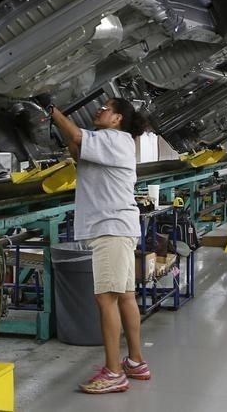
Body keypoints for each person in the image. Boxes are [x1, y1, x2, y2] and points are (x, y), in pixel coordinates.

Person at [48, 97, 151, 394]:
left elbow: (79, 136)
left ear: (117, 119)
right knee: (126, 296)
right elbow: (79, 151)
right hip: (119, 228)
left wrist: (53, 111)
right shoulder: (113, 142)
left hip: (111, 229)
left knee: (106, 299)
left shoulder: (114, 138)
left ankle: (114, 372)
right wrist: (65, 134)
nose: (99, 110)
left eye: (105, 108)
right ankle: (136, 362)